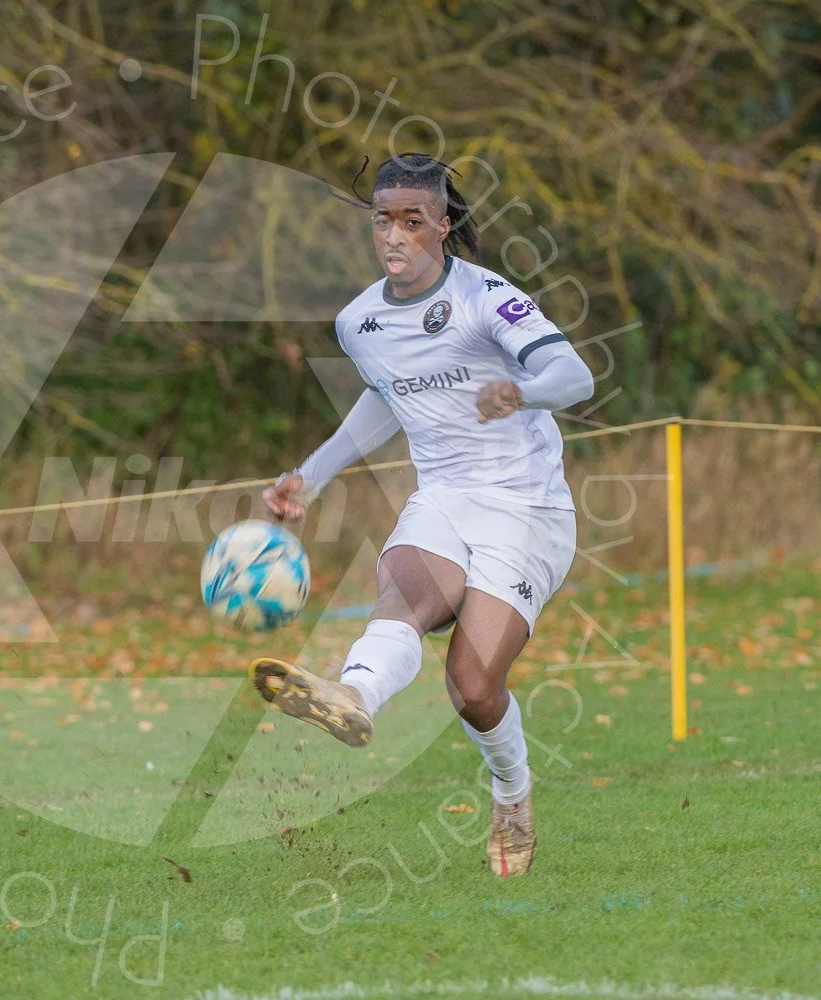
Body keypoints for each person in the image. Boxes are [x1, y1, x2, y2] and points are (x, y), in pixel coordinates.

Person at [251, 154, 595, 877]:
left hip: (525, 509)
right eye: (384, 221)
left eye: (413, 220)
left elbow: (573, 375)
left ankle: (513, 795)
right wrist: (309, 477)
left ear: (442, 224)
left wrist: (519, 392)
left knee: (472, 688)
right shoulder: (360, 321)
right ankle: (353, 694)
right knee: (406, 593)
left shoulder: (488, 297)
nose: (395, 235)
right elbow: (384, 395)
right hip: (442, 497)